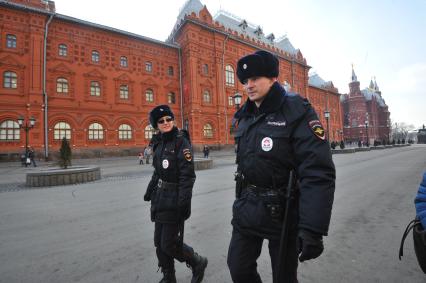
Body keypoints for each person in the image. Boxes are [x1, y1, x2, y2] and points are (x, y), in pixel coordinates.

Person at [227, 50, 336, 283]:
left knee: (284, 277)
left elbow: (316, 171)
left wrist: (312, 228)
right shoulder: (244, 115)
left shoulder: (297, 110)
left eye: (255, 78)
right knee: (238, 267)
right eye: (245, 81)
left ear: (273, 78)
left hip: (283, 210)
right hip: (248, 206)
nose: (249, 85)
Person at [143, 105, 208, 283]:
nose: (166, 123)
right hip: (159, 198)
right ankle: (168, 276)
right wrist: (150, 190)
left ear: (173, 120)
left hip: (174, 198)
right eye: (161, 121)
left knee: (168, 243)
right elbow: (157, 171)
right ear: (156, 124)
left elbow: (187, 176)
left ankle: (197, 261)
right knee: (158, 242)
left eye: (168, 119)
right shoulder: (158, 142)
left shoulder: (181, 142)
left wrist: (184, 202)